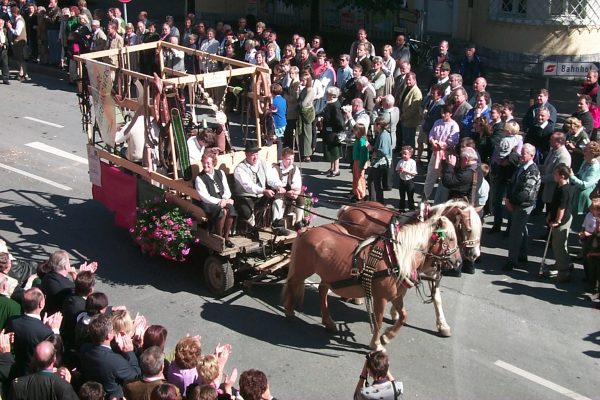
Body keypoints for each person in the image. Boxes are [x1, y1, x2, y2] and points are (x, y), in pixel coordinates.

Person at [79, 313, 141, 399]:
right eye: (112, 329)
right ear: (109, 336)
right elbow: (136, 376)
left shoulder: (85, 348)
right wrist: (130, 352)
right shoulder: (115, 361)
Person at [5, 287, 61, 379]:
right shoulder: (46, 332)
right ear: (41, 304)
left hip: (14, 371)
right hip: (33, 375)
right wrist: (55, 331)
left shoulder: (12, 321)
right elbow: (56, 357)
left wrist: (42, 326)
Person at [503, 143, 541, 271]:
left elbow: (526, 193)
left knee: (515, 233)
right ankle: (522, 255)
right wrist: (508, 197)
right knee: (521, 229)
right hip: (515, 203)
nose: (521, 155)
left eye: (524, 153)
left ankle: (512, 261)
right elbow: (512, 182)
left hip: (523, 206)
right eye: (522, 152)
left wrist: (511, 202)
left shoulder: (533, 171)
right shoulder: (521, 167)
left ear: (531, 155)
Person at [232, 143, 285, 235]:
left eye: (256, 154)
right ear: (246, 155)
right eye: (252, 155)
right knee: (246, 211)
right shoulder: (240, 169)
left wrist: (278, 186)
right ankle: (253, 228)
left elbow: (271, 178)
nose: (255, 157)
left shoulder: (263, 163)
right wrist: (263, 191)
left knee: (278, 196)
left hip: (260, 195)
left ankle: (276, 224)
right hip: (245, 197)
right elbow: (248, 186)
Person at [9, 340, 78, 399]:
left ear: (33, 359)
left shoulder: (18, 385)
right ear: (54, 359)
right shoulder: (63, 387)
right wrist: (66, 386)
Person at [195, 151, 236, 248]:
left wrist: (225, 199)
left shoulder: (220, 173)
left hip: (222, 199)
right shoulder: (199, 178)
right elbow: (205, 197)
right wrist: (219, 201)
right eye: (204, 163)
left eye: (208, 163)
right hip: (208, 203)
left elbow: (227, 190)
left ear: (213, 163)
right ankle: (219, 237)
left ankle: (226, 237)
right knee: (222, 211)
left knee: (230, 209)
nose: (205, 165)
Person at [489, 120, 523, 233]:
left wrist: (504, 160)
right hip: (501, 172)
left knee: (509, 201)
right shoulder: (505, 140)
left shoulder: (518, 140)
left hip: (510, 173)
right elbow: (496, 154)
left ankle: (509, 227)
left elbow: (517, 156)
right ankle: (497, 224)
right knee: (497, 200)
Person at [424, 104, 460, 201]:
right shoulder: (437, 122)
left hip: (446, 155)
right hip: (435, 153)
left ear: (451, 114)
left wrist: (441, 145)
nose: (443, 115)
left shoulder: (454, 125)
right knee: (431, 174)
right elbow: (431, 134)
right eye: (442, 112)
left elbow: (453, 140)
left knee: (444, 176)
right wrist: (433, 141)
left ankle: (442, 199)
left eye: (446, 113)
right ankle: (426, 196)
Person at [545, 164, 573, 282]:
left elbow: (561, 208)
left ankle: (564, 271)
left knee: (559, 246)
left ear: (562, 176)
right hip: (559, 217)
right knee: (559, 244)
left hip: (562, 221)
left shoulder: (564, 190)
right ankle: (560, 264)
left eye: (555, 174)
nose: (554, 176)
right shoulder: (561, 186)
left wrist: (557, 221)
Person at [272, 148, 305, 231]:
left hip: (290, 190)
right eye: (288, 159)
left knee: (300, 196)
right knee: (278, 200)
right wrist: (281, 189)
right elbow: (274, 181)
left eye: (292, 159)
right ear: (282, 158)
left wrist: (295, 191)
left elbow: (297, 182)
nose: (290, 161)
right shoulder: (275, 168)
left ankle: (298, 222)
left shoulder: (294, 168)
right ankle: (276, 224)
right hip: (279, 191)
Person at [569, 141, 600, 230]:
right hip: (577, 194)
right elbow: (579, 174)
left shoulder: (595, 168)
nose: (584, 152)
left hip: (585, 199)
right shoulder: (585, 161)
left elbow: (585, 185)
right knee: (575, 222)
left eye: (586, 151)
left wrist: (572, 177)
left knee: (582, 223)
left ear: (592, 154)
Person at [321, 86, 345, 177]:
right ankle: (332, 168)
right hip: (328, 131)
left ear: (332, 95)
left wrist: (339, 131)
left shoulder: (335, 106)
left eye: (328, 94)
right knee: (330, 150)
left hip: (333, 132)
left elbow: (339, 121)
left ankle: (336, 169)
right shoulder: (330, 103)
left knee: (335, 151)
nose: (326, 95)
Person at [368, 116, 393, 204]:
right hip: (378, 162)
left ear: (378, 126)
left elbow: (383, 151)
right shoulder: (382, 134)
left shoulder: (383, 136)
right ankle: (373, 200)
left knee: (376, 184)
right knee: (371, 181)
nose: (373, 127)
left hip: (380, 163)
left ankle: (378, 202)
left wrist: (372, 149)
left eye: (374, 125)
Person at [398, 72, 422, 149]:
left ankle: (410, 158)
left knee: (409, 141)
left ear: (414, 80)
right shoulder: (407, 89)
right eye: (407, 80)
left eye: (409, 80)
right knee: (405, 140)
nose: (408, 82)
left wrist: (404, 116)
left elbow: (414, 109)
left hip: (410, 121)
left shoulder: (416, 92)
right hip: (404, 120)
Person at [296, 71, 315, 162]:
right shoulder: (304, 89)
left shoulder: (311, 90)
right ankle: (302, 152)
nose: (301, 82)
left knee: (307, 134)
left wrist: (300, 102)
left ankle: (308, 154)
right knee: (301, 133)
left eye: (303, 80)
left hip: (307, 113)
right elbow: (298, 100)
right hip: (301, 113)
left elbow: (303, 103)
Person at [7, 6, 29, 81]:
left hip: (20, 42)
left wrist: (10, 27)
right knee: (17, 58)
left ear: (14, 13)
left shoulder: (20, 21)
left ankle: (24, 74)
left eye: (12, 13)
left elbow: (17, 32)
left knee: (20, 58)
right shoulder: (16, 20)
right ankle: (21, 72)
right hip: (17, 42)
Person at [351, 123, 370, 202]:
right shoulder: (358, 139)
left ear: (359, 131)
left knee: (359, 179)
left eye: (355, 130)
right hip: (356, 161)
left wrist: (362, 164)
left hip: (359, 161)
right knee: (356, 177)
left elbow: (363, 153)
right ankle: (356, 193)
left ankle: (361, 195)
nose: (353, 131)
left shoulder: (362, 140)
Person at [396, 145, 417, 211]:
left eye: (405, 154)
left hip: (409, 181)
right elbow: (397, 170)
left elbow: (413, 174)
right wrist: (399, 170)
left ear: (410, 155)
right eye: (403, 154)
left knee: (410, 197)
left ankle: (411, 209)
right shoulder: (400, 161)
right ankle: (401, 209)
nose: (403, 155)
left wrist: (405, 171)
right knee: (402, 196)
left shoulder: (412, 162)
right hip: (402, 180)